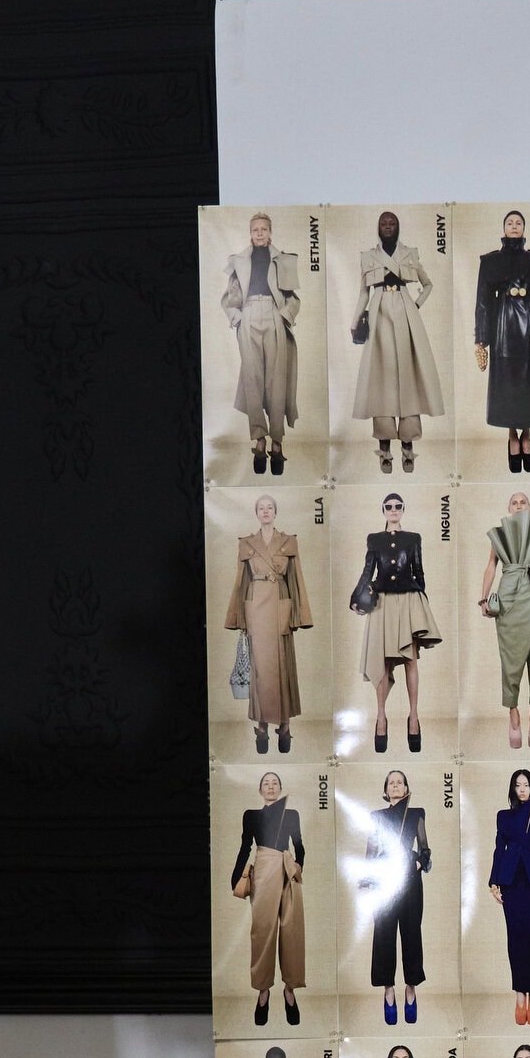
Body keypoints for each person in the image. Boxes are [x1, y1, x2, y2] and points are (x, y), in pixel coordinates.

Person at [350, 212, 444, 474]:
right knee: (381, 380)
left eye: (392, 223)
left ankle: (407, 446)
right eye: (384, 223)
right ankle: (384, 448)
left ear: (398, 226)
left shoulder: (409, 254)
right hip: (378, 316)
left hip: (406, 316)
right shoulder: (368, 257)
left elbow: (428, 284)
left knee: (408, 377)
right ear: (378, 227)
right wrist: (355, 321)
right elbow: (363, 293)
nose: (388, 226)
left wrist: (415, 305)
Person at [350, 495, 440, 757]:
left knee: (411, 660)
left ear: (403, 510)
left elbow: (419, 572)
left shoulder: (413, 538)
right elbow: (367, 572)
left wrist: (421, 603)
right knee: (382, 661)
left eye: (398, 506)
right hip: (382, 602)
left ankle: (414, 717)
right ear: (383, 510)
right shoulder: (374, 539)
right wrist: (355, 598)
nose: (393, 510)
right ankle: (381, 717)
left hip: (408, 600)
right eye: (389, 507)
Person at [223, 496, 312, 752]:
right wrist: (239, 617)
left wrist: (299, 615)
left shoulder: (288, 541)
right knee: (260, 669)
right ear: (256, 513)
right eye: (261, 508)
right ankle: (262, 728)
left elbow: (296, 578)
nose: (265, 511)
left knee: (282, 665)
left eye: (269, 507)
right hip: (255, 608)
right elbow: (240, 582)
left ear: (275, 512)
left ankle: (284, 728)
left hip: (279, 603)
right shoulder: (246, 543)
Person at [478, 491, 530, 752]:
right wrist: (483, 598)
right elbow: (490, 566)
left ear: (529, 506)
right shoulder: (500, 534)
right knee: (510, 658)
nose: (518, 505)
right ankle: (513, 711)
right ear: (509, 508)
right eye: (514, 503)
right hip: (508, 598)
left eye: (523, 502)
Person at [474, 209, 530, 473]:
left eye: (518, 222)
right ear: (503, 228)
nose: (514, 225)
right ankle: (512, 436)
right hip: (503, 327)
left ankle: (527, 436)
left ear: (524, 228)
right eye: (509, 222)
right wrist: (481, 337)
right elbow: (483, 302)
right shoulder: (490, 261)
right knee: (507, 382)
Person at [222, 213, 299, 473]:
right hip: (249, 315)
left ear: (270, 233)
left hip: (274, 314)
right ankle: (259, 439)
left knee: (277, 379)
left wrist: (285, 315)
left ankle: (277, 442)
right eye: (255, 229)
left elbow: (293, 298)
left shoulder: (282, 260)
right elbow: (229, 297)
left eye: (264, 229)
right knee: (252, 378)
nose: (259, 233)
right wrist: (237, 317)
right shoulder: (239, 261)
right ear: (250, 234)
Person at [232, 770, 305, 1026]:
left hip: (286, 870)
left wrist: (298, 868)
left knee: (291, 931)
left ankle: (289, 991)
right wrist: (235, 877)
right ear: (260, 790)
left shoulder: (292, 814)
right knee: (263, 931)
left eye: (275, 783)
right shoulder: (251, 815)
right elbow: (245, 846)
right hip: (263, 870)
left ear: (280, 788)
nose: (271, 786)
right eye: (266, 783)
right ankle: (263, 992)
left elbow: (299, 845)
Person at [487, 768, 530, 1029]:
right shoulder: (503, 816)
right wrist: (493, 881)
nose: (522, 789)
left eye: (526, 784)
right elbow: (498, 850)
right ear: (512, 789)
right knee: (514, 937)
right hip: (510, 880)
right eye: (518, 785)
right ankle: (519, 994)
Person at [363, 766, 430, 1027]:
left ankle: (411, 989)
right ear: (385, 789)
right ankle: (388, 991)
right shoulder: (376, 816)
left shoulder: (416, 813)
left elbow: (424, 848)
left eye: (400, 782)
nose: (395, 785)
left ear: (406, 788)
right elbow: (371, 851)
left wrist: (419, 863)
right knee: (384, 934)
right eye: (391, 782)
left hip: (409, 879)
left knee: (412, 933)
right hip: (384, 880)